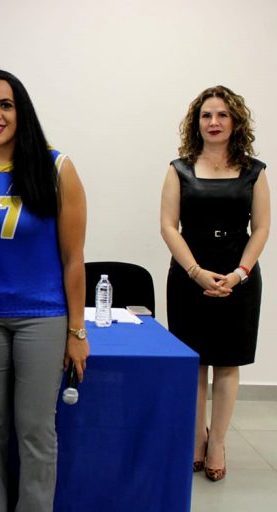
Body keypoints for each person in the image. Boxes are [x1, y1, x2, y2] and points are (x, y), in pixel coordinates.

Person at [0, 69, 88, 512]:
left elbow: (73, 258)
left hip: (42, 317)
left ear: (21, 109)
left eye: (4, 105)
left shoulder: (57, 168)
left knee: (35, 431)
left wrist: (77, 330)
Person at [161, 85, 270, 482]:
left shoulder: (254, 171)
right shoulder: (180, 169)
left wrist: (239, 274)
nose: (214, 122)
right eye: (207, 115)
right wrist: (195, 272)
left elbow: (260, 228)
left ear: (235, 121)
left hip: (238, 277)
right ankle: (195, 438)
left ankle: (218, 442)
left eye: (222, 115)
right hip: (190, 275)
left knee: (227, 363)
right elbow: (168, 226)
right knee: (194, 364)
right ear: (197, 123)